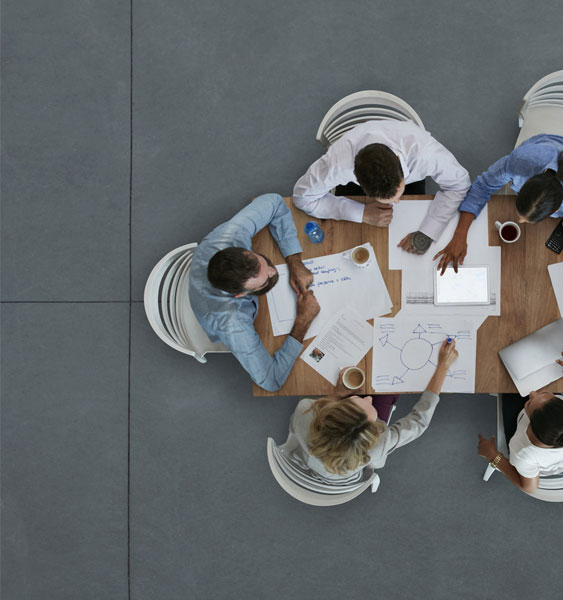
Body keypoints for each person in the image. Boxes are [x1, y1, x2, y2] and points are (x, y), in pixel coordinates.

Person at [189, 193, 320, 391]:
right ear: (240, 295)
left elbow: (275, 202)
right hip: (209, 314)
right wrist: (303, 321)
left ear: (242, 250)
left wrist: (294, 261)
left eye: (263, 261)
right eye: (265, 280)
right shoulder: (231, 322)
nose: (273, 270)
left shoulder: (230, 236)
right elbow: (271, 381)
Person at [434, 134, 563, 274]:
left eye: (526, 219)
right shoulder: (520, 162)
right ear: (524, 184)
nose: (519, 222)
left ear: (557, 210)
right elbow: (482, 186)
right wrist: (460, 235)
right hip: (541, 146)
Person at [288, 339, 459, 483]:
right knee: (387, 388)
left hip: (315, 459)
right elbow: (418, 422)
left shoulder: (304, 414)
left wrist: (336, 394)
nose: (368, 398)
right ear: (376, 432)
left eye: (355, 401)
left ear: (331, 410)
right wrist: (443, 367)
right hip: (343, 473)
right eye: (372, 413)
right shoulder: (377, 448)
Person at [291, 120, 470, 255]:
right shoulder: (337, 164)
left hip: (409, 155)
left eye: (398, 195)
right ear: (358, 181)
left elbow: (459, 183)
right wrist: (361, 213)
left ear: (399, 162)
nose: (397, 203)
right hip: (355, 158)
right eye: (393, 199)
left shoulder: (425, 154)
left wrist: (429, 231)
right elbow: (302, 197)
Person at [476, 347, 563, 493]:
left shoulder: (523, 453)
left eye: (529, 403)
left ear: (529, 426)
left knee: (505, 381)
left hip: (539, 465)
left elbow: (529, 487)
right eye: (548, 396)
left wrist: (494, 456)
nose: (532, 392)